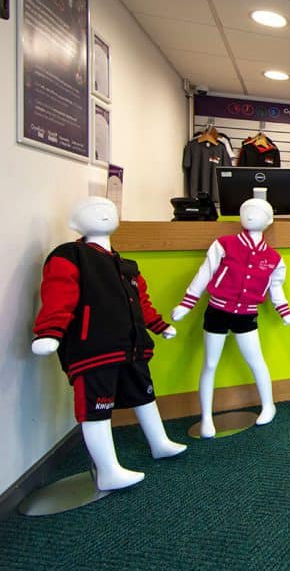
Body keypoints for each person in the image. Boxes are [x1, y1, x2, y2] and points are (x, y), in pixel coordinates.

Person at [31, 197, 186, 491]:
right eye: (93, 209)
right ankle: (108, 470)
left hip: (132, 347)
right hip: (93, 349)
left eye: (109, 209)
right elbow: (59, 297)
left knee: (144, 394)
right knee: (95, 408)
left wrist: (159, 326)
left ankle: (159, 442)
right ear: (76, 222)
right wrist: (49, 332)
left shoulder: (125, 264)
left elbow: (141, 303)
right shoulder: (69, 255)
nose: (103, 213)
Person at [172, 198, 290, 438]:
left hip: (246, 314)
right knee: (210, 363)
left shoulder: (274, 258)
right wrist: (187, 303)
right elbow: (204, 274)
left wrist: (284, 310)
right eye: (246, 210)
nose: (250, 214)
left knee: (256, 360)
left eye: (258, 211)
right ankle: (206, 417)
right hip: (217, 310)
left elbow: (275, 287)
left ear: (269, 220)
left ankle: (268, 404)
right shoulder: (224, 244)